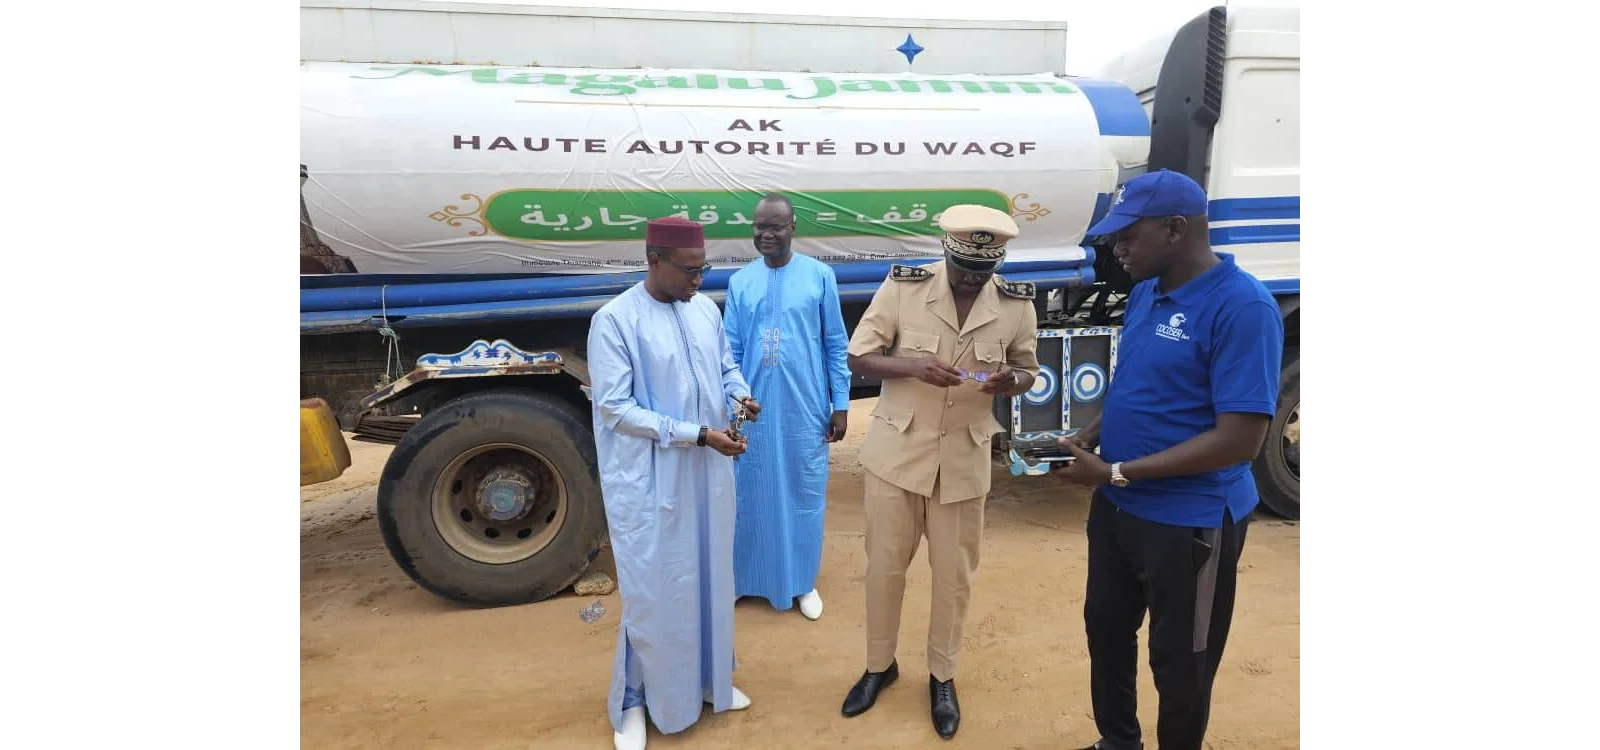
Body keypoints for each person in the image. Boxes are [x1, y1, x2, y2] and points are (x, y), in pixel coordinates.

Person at [1052, 169, 1284, 750]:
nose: (1117, 248)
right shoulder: (1145, 293)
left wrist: (1115, 472)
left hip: (1190, 523)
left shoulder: (1243, 308)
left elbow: (1240, 440)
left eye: (1128, 235)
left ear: (1176, 229)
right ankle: (1119, 742)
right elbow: (1135, 381)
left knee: (1180, 663)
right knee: (1105, 628)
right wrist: (1096, 432)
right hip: (1118, 511)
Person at [838, 204, 1041, 740]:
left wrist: (1011, 383)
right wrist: (913, 366)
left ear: (996, 265)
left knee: (954, 579)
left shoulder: (1016, 305)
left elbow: (1029, 369)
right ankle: (879, 666)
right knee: (884, 569)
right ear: (947, 254)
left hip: (963, 460)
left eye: (983, 273)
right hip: (896, 457)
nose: (972, 281)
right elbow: (859, 356)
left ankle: (942, 676)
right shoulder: (906, 287)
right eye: (964, 270)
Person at [586, 216, 765, 750]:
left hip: (707, 472)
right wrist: (696, 434)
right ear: (653, 260)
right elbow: (616, 410)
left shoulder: (705, 310)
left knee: (709, 577)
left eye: (704, 269)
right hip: (650, 481)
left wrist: (741, 395)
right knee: (654, 590)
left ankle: (711, 683)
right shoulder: (614, 321)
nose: (698, 280)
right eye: (689, 271)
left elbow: (727, 368)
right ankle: (634, 703)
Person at [723, 193, 852, 621]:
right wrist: (733, 402)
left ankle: (801, 582)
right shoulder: (741, 281)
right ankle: (745, 580)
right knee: (749, 491)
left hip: (805, 406)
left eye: (775, 226)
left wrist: (841, 404)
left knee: (804, 492)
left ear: (793, 227)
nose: (765, 234)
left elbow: (835, 343)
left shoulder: (819, 276)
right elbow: (731, 349)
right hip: (752, 409)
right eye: (759, 226)